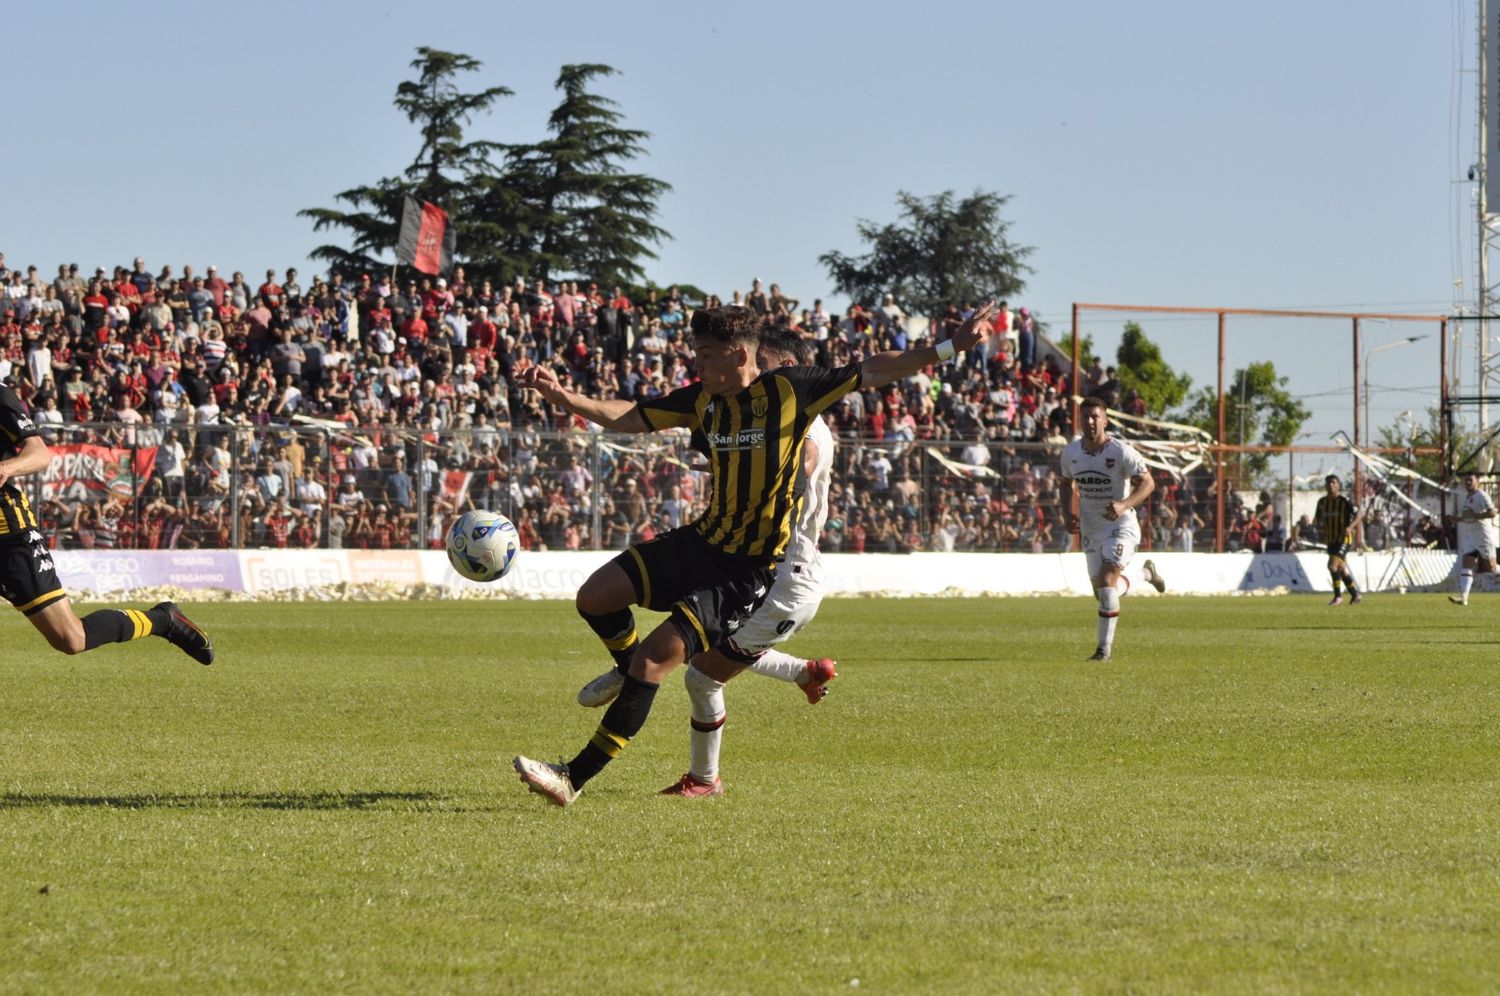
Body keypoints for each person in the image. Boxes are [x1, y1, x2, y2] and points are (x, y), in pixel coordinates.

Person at [512, 302, 996, 806]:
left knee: (658, 664)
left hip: (744, 572)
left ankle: (573, 777)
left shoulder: (791, 391)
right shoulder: (703, 399)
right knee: (595, 597)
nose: (696, 366)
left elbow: (873, 368)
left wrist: (950, 346)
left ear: (739, 355)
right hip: (701, 541)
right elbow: (634, 416)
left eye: (705, 355)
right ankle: (626, 664)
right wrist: (564, 396)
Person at [577, 327, 840, 797]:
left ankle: (704, 780)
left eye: (768, 363)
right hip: (769, 566)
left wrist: (763, 462)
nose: (758, 372)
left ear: (790, 368)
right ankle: (803, 672)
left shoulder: (803, 423)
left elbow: (804, 459)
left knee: (699, 671)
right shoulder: (763, 415)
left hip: (786, 577)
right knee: (696, 643)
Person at [0, 380, 213, 664]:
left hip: (9, 534)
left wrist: (7, 467)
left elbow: (39, 453)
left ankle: (162, 620)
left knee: (71, 638)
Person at [1060, 397, 1165, 662]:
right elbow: (1065, 483)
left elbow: (1148, 483)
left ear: (1105, 420)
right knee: (1104, 594)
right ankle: (1145, 574)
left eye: (1095, 416)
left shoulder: (1121, 452)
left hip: (1121, 526)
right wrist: (1067, 513)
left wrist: (1123, 504)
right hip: (1091, 528)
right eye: (1086, 417)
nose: (1090, 421)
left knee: (1107, 585)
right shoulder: (1071, 453)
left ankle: (1102, 652)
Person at [1449, 471, 1496, 606]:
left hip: (1483, 536)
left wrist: (1475, 516)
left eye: (1471, 480)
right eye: (1466, 480)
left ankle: (1463, 597)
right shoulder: (1467, 496)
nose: (1468, 482)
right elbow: (1468, 517)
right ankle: (1463, 597)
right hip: (1470, 537)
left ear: (1478, 482)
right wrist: (1456, 520)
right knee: (1467, 565)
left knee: (1492, 568)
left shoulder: (1481, 495)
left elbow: (1493, 512)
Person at [1315, 474, 1362, 605]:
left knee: (1332, 566)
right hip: (1331, 540)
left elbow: (1359, 514)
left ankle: (1338, 597)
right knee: (1341, 570)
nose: (1331, 485)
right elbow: (1318, 519)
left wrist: (1350, 527)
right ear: (1325, 486)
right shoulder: (1322, 502)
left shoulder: (1344, 501)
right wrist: (1317, 526)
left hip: (1344, 539)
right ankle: (1355, 595)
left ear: (1338, 486)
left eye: (1334, 482)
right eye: (1328, 483)